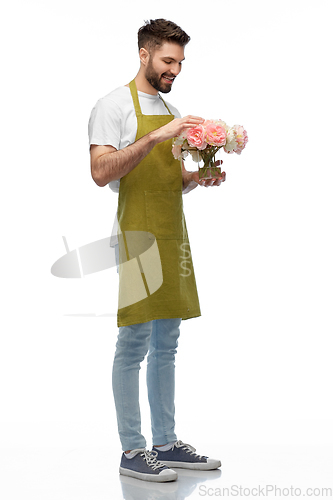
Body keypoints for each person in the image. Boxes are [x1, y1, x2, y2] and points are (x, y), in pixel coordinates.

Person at [88, 19, 225, 483]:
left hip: (172, 232)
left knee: (168, 342)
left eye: (180, 62)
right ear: (144, 54)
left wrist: (197, 178)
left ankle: (166, 442)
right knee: (134, 342)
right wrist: (152, 137)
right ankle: (133, 450)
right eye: (168, 60)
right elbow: (101, 172)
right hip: (137, 234)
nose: (175, 70)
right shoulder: (112, 106)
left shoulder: (171, 107)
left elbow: (169, 181)